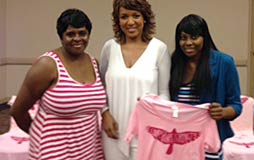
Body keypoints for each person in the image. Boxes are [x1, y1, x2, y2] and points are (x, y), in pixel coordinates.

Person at [11, 8, 107, 160]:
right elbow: (18, 111)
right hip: (53, 152)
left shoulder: (93, 63)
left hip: (89, 149)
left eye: (82, 33)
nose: (77, 38)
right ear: (61, 37)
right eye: (70, 34)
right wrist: (41, 137)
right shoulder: (47, 65)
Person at [100, 0, 170, 159]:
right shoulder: (109, 47)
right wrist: (105, 113)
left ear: (145, 18)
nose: (130, 22)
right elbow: (100, 87)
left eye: (136, 16)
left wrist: (155, 114)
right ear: (117, 20)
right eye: (124, 16)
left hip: (146, 131)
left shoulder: (159, 49)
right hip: (113, 131)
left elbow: (164, 93)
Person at [169, 14, 242, 160]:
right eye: (183, 38)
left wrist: (222, 112)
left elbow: (236, 106)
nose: (188, 43)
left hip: (210, 143)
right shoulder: (174, 63)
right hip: (180, 142)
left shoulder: (224, 63)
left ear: (205, 38)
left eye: (194, 37)